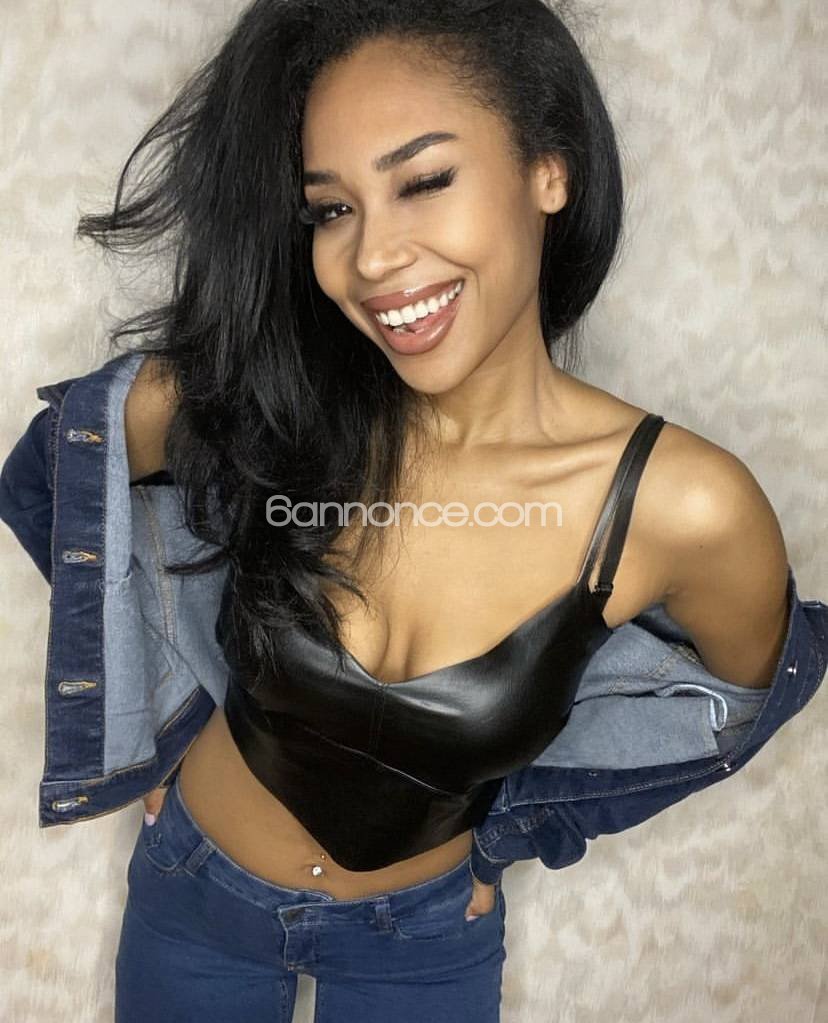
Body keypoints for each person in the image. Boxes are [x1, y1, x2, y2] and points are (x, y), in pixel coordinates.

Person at [2, 1, 819, 1021]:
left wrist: (525, 824)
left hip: (422, 943)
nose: (373, 257)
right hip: (194, 892)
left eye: (424, 181)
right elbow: (59, 474)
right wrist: (157, 709)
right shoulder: (273, 400)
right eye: (331, 210)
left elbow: (730, 702)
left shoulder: (685, 508)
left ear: (549, 169)